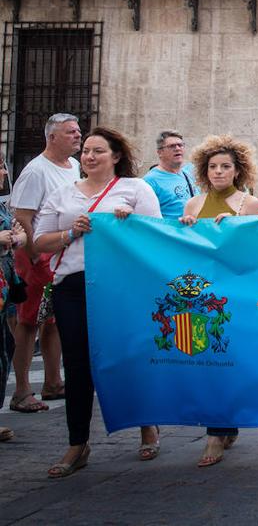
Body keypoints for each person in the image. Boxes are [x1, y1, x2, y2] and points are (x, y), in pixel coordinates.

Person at [31, 127, 162, 478]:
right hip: (71, 286)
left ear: (116, 156)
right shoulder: (62, 194)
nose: (89, 157)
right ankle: (78, 443)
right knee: (77, 365)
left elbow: (156, 239)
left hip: (120, 287)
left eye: (98, 151)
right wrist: (70, 232)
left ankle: (146, 424)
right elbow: (40, 242)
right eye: (85, 151)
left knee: (127, 357)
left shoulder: (136, 190)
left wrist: (128, 226)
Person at [178, 135, 258, 468]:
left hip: (235, 296)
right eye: (212, 167)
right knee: (209, 363)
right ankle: (218, 430)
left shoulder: (249, 205)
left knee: (229, 363)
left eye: (225, 166)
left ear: (237, 170)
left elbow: (255, 256)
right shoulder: (193, 206)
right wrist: (186, 229)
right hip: (201, 297)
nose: (218, 172)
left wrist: (234, 231)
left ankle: (221, 428)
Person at [8, 113, 77, 414]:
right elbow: (22, 214)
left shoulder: (74, 166)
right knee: (29, 322)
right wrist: (36, 251)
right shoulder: (36, 171)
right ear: (52, 137)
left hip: (60, 253)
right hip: (37, 255)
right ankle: (22, 390)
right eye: (70, 132)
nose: (78, 136)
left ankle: (53, 382)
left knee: (54, 319)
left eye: (78, 131)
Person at [1, 154, 26, 443]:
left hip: (6, 284)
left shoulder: (2, 206)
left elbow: (18, 235)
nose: (3, 172)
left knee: (4, 346)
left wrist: (15, 238)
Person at [143, 131, 197, 219]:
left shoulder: (188, 173)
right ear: (160, 152)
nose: (177, 148)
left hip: (194, 230)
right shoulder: (150, 181)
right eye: (172, 146)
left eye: (180, 145)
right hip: (171, 231)